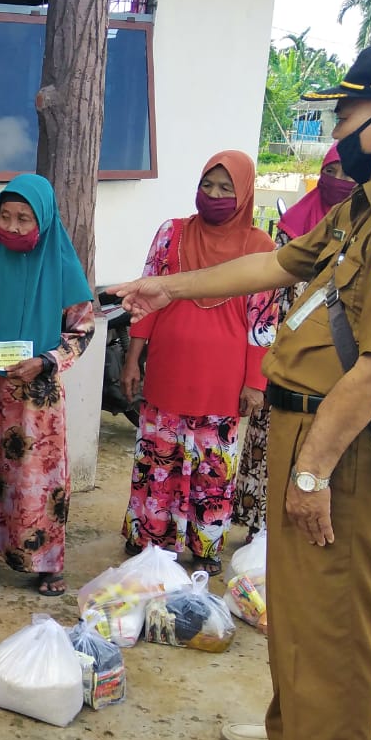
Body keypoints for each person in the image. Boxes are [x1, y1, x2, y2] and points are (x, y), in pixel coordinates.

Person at [111, 42, 371, 740]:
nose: (332, 130)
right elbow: (278, 262)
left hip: (341, 446)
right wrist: (165, 285)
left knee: (334, 623)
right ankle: (292, 733)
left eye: (344, 114)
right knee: (296, 601)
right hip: (304, 428)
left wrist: (312, 468)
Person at [119, 150, 278, 575]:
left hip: (223, 379)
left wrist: (254, 383)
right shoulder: (171, 234)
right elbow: (145, 301)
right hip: (169, 369)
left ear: (244, 193)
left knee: (212, 466)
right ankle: (149, 539)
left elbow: (263, 323)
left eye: (226, 188)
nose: (214, 195)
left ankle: (204, 546)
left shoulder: (259, 247)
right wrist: (133, 358)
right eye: (208, 185)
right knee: (159, 458)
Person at [0, 174, 95, 596]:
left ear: (44, 220)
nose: (11, 227)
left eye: (24, 219)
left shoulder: (64, 267)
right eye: (5, 217)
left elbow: (82, 329)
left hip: (36, 397)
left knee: (36, 477)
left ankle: (45, 563)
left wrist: (46, 361)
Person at [232, 146, 355, 538]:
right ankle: (260, 529)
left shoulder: (366, 232)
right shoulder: (292, 228)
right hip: (286, 360)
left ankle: (311, 528)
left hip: (341, 366)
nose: (341, 180)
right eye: (332, 170)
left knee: (323, 448)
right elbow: (269, 301)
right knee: (273, 442)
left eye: (348, 172)